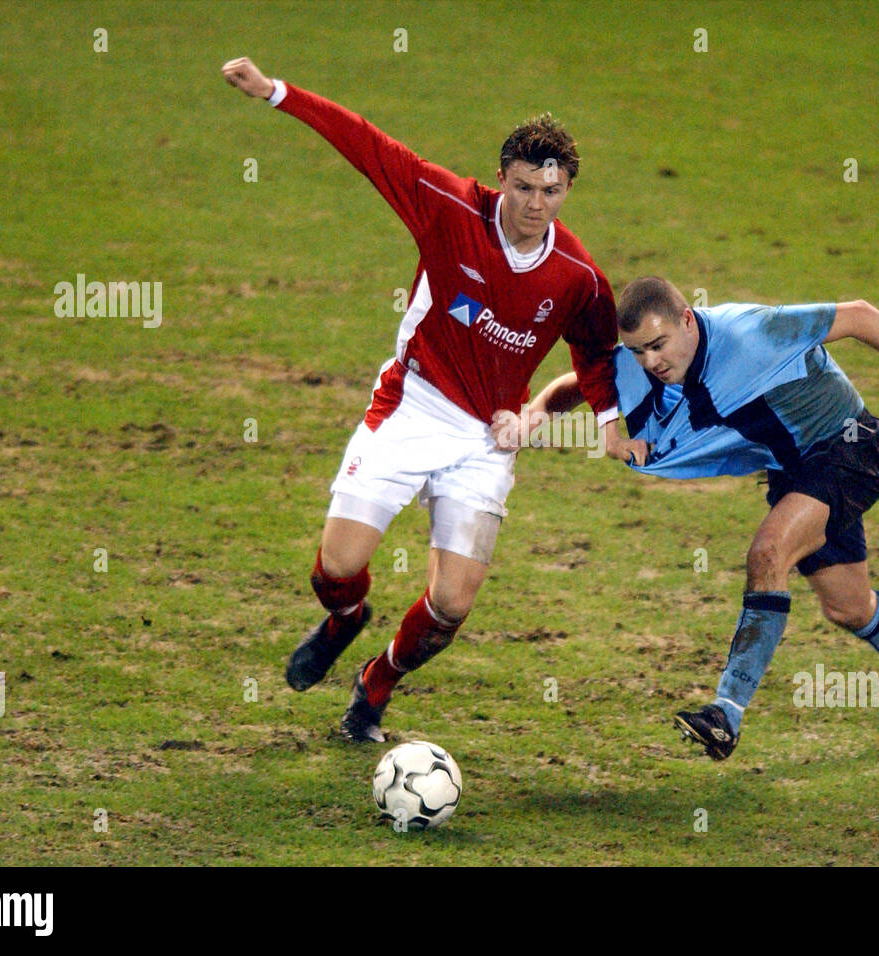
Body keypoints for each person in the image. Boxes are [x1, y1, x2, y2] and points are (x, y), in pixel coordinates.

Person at [221, 57, 635, 742]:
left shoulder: (580, 278)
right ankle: (346, 620)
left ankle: (376, 684)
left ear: (568, 191)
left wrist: (612, 419)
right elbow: (368, 145)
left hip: (484, 440)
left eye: (552, 192)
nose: (536, 205)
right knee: (339, 567)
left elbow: (595, 354)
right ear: (500, 177)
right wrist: (275, 94)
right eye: (525, 187)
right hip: (413, 405)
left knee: (450, 602)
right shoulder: (447, 205)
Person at [517, 276, 879, 759]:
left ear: (686, 320)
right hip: (795, 471)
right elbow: (585, 385)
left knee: (768, 553)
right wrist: (529, 417)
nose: (650, 362)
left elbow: (861, 314)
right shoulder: (650, 361)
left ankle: (726, 714)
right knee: (847, 606)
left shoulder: (752, 333)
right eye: (638, 352)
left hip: (848, 449)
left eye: (657, 346)